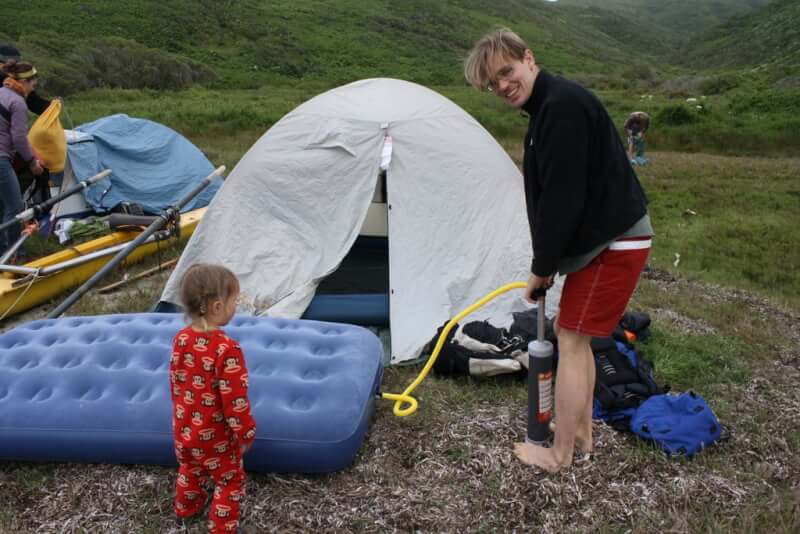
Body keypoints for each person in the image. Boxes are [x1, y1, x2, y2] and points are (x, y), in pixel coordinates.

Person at [464, 28, 653, 473]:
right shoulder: (548, 107)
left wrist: (543, 268)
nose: (503, 86)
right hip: (608, 242)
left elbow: (561, 200)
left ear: (529, 58)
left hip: (613, 243)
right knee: (578, 340)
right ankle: (582, 433)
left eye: (506, 73)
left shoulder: (560, 108)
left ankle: (560, 454)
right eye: (493, 84)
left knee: (569, 341)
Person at [171, 263, 257, 533]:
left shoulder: (181, 339)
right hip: (216, 438)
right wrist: (246, 432)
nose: (236, 306)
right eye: (234, 301)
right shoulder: (227, 350)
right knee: (229, 480)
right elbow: (235, 402)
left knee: (190, 469)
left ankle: (186, 509)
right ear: (218, 307)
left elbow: (176, 383)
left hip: (185, 430)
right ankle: (223, 528)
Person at [0, 60, 44, 257]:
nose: (34, 85)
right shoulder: (18, 102)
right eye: (34, 82)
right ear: (25, 81)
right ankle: (15, 253)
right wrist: (32, 162)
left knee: (3, 206)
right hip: (1, 159)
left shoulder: (1, 92)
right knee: (15, 208)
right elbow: (18, 138)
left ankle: (3, 251)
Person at [0, 45, 51, 114]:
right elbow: (37, 104)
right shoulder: (15, 83)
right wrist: (53, 106)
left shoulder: (14, 83)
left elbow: (36, 103)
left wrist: (53, 105)